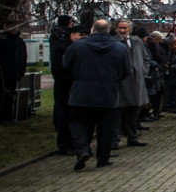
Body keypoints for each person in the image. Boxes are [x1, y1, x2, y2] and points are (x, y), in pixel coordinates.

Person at [64, 19, 131, 171]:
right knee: (106, 127)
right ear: (109, 31)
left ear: (92, 30)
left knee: (78, 123)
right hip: (108, 94)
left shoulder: (77, 46)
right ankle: (103, 159)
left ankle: (82, 150)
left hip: (81, 93)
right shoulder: (120, 49)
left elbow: (66, 65)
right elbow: (127, 70)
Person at [112, 19, 150, 148]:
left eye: (124, 28)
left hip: (136, 81)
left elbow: (146, 58)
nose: (122, 30)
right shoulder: (113, 42)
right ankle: (114, 140)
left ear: (129, 29)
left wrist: (143, 70)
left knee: (133, 112)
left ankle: (132, 137)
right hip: (120, 82)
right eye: (120, 28)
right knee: (118, 113)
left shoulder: (137, 42)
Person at [0, 23, 27, 125]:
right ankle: (0, 118)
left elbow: (23, 57)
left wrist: (22, 72)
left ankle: (10, 117)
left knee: (11, 97)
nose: (14, 28)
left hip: (14, 74)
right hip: (2, 74)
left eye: (16, 26)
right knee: (0, 96)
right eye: (12, 26)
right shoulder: (0, 41)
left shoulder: (20, 42)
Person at [48, 15, 77, 153]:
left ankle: (67, 142)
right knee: (65, 113)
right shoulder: (62, 41)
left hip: (62, 83)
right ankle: (65, 144)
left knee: (63, 111)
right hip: (64, 83)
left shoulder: (56, 37)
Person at [145, 31, 169, 120]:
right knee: (156, 93)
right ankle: (154, 112)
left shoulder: (154, 46)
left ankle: (155, 112)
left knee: (156, 93)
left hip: (157, 72)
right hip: (156, 73)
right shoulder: (153, 47)